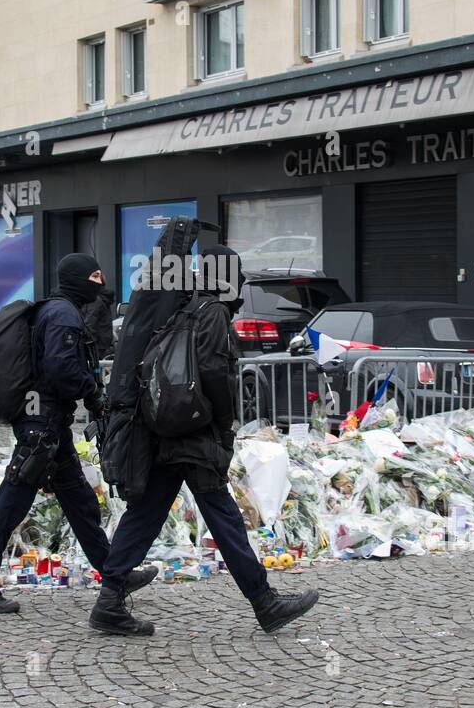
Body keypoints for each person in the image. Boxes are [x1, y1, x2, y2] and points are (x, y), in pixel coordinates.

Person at [90, 245, 319, 636]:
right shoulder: (210, 311)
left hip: (163, 429)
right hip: (194, 434)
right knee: (223, 516)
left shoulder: (180, 306)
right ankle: (265, 603)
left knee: (144, 514)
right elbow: (215, 372)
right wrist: (224, 424)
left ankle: (110, 600)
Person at [0, 253, 157, 614]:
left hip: (47, 422)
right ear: (79, 279)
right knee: (14, 497)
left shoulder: (57, 310)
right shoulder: (63, 314)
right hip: (41, 424)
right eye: (95, 276)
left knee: (79, 501)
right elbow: (62, 369)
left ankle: (114, 572)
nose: (101, 283)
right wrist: (93, 393)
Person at [79, 274, 116, 361]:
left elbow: (89, 326)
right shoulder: (100, 298)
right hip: (100, 347)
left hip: (95, 348)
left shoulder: (94, 300)